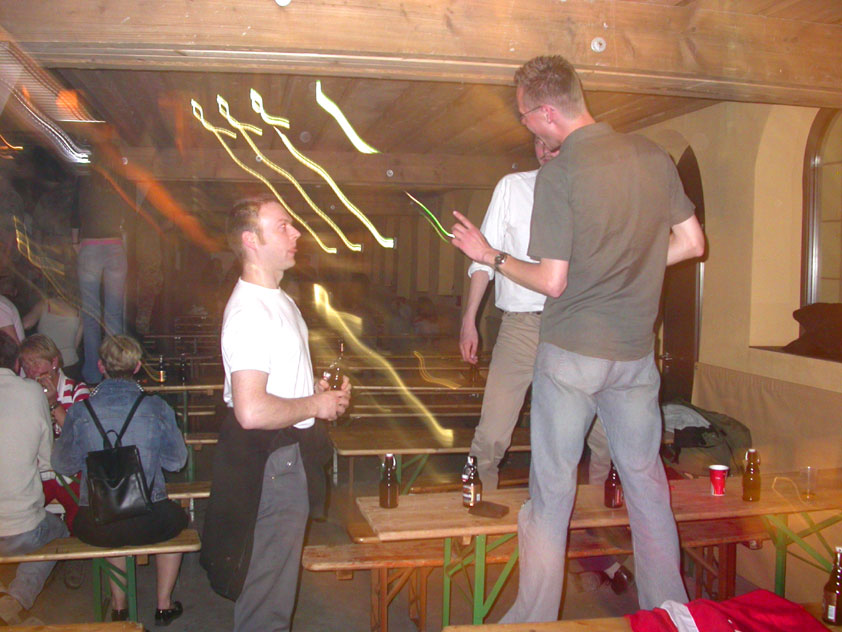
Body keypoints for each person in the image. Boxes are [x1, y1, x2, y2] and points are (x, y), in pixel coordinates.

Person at [451, 55, 705, 622]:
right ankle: (671, 615)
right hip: (634, 357)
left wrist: (489, 254)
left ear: (547, 113)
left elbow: (552, 281)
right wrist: (632, 269)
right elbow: (692, 243)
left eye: (524, 116)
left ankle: (533, 619)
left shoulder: (560, 174)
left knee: (551, 495)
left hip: (571, 353)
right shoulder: (653, 156)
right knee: (647, 489)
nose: (525, 125)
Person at [200, 194, 350, 632]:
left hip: (285, 456)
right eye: (283, 226)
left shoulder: (277, 299)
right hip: (272, 463)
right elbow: (250, 410)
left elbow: (272, 388)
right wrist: (315, 405)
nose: (296, 232)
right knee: (267, 601)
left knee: (272, 591)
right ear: (251, 240)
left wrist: (313, 392)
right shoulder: (250, 312)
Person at [52, 334, 188, 625]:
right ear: (137, 366)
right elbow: (176, 462)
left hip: (97, 522)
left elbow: (63, 464)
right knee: (178, 520)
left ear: (101, 366)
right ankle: (163, 605)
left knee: (110, 514)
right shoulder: (157, 407)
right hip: (149, 518)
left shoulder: (80, 411)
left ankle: (119, 605)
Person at [0, 331, 68, 626]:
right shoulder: (30, 392)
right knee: (59, 530)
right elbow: (47, 459)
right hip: (21, 528)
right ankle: (16, 598)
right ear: (17, 363)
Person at [72, 149, 132, 384]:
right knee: (114, 314)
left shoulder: (84, 181)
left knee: (90, 315)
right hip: (115, 246)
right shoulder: (121, 182)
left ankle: (92, 373)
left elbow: (75, 214)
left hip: (90, 246)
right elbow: (128, 217)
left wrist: (75, 242)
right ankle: (116, 371)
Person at [20, 334, 89, 532]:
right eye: (26, 365)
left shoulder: (77, 389)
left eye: (36, 363)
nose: (31, 371)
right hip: (37, 472)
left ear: (54, 362)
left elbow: (79, 435)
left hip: (70, 471)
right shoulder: (22, 392)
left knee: (80, 517)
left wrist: (53, 403)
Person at [22, 289, 83, 380]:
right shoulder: (78, 311)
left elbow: (26, 324)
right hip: (70, 362)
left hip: (46, 362)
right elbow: (76, 343)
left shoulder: (44, 304)